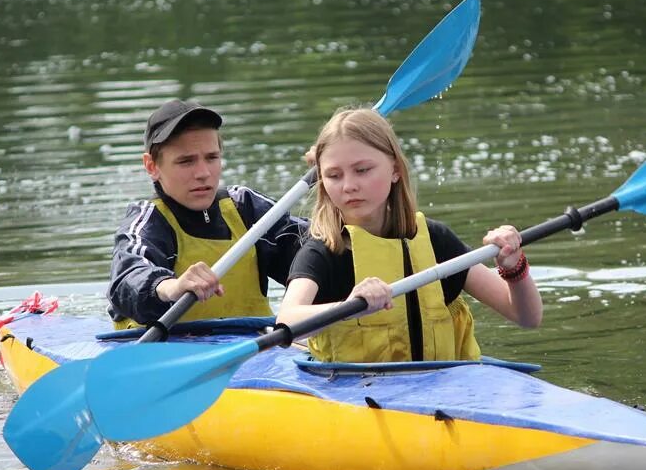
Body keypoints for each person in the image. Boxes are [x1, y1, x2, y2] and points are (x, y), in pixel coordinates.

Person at [277, 107, 542, 363]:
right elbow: (286, 321)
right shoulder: (323, 251)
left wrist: (513, 266)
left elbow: (527, 317)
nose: (349, 186)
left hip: (447, 385)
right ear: (322, 181)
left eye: (362, 170)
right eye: (334, 175)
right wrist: (348, 307)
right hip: (354, 388)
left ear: (395, 170)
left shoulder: (435, 240)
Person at [108, 99, 305, 327]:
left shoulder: (247, 208)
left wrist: (333, 183)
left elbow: (316, 247)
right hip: (167, 345)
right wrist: (170, 287)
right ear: (152, 166)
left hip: (255, 345)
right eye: (186, 161)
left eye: (212, 158)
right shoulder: (147, 223)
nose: (203, 173)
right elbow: (127, 277)